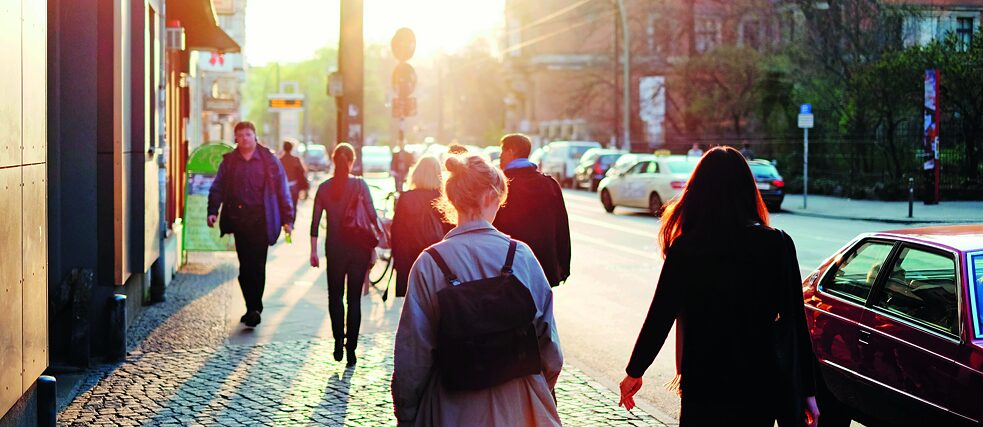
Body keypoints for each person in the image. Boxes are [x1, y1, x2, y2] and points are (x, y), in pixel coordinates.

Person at [618, 146, 820, 427]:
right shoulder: (777, 244)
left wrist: (635, 371)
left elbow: (660, 315)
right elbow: (795, 322)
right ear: (748, 190)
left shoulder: (687, 247)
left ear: (698, 192)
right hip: (758, 382)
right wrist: (807, 391)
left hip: (703, 380)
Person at [392, 154, 563, 426]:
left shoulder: (430, 264)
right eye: (499, 200)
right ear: (488, 198)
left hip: (450, 406)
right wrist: (542, 388)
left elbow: (413, 353)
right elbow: (549, 345)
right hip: (518, 405)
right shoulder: (520, 256)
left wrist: (407, 413)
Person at [207, 121, 295, 328]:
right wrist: (212, 211)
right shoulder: (229, 162)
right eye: (241, 135)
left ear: (255, 136)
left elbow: (282, 190)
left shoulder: (269, 161)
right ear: (235, 138)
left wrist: (287, 219)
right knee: (245, 267)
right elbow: (217, 186)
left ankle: (255, 308)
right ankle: (251, 306)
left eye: (248, 134)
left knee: (258, 265)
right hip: (239, 221)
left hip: (261, 221)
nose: (245, 138)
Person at [309, 143, 378, 366]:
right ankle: (351, 349)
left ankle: (338, 341)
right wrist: (374, 247)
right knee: (354, 299)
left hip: (335, 248)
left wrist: (313, 251)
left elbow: (315, 222)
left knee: (335, 296)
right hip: (359, 248)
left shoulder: (324, 188)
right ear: (352, 161)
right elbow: (372, 217)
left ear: (333, 160)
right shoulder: (360, 185)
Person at [493, 133, 571, 287]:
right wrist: (563, 264)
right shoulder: (549, 184)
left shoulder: (501, 186)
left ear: (512, 151)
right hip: (544, 264)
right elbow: (561, 227)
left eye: (502, 151)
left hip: (508, 265)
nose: (500, 156)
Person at [390, 156, 452, 298]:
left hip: (410, 260)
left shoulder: (405, 198)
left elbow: (397, 233)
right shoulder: (443, 199)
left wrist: (399, 263)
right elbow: (451, 230)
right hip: (438, 259)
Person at [279, 139, 309, 207]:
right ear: (291, 148)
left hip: (283, 186)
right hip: (294, 186)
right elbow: (303, 171)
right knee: (294, 205)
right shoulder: (296, 159)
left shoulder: (280, 160)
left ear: (283, 148)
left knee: (284, 206)